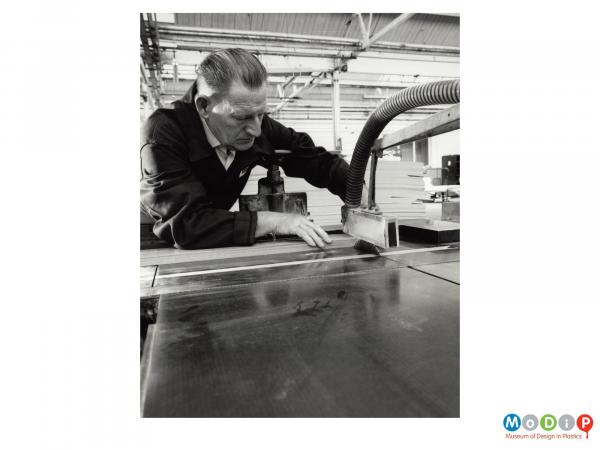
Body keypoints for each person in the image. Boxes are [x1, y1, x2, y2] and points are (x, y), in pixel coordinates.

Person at [140, 48, 360, 250]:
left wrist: (359, 196)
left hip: (213, 235)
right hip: (154, 238)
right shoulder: (163, 134)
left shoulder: (257, 124)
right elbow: (186, 224)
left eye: (261, 113)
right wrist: (276, 220)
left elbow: (317, 161)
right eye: (240, 117)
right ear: (204, 107)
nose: (256, 130)